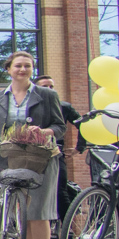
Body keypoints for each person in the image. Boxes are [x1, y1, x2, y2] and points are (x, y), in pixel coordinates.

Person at [0, 52, 65, 239]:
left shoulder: (47, 95)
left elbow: (60, 127)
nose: (22, 69)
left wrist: (44, 131)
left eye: (27, 66)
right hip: (10, 158)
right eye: (18, 66)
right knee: (22, 211)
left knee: (38, 211)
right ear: (8, 69)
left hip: (40, 158)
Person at [35, 73, 81, 219]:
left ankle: (68, 230)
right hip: (32, 152)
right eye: (45, 87)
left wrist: (79, 148)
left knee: (61, 190)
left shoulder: (64, 107)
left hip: (55, 151)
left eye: (52, 86)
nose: (49, 89)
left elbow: (83, 124)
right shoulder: (27, 106)